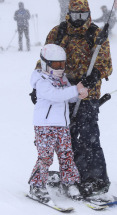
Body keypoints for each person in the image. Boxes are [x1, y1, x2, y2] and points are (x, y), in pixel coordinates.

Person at [30, 0, 112, 197]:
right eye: (75, 14)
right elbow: (45, 59)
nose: (78, 19)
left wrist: (94, 76)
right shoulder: (58, 33)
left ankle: (94, 178)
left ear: (88, 13)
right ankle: (72, 176)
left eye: (82, 15)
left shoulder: (96, 34)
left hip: (87, 95)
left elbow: (106, 64)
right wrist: (37, 87)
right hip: (61, 93)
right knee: (65, 139)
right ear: (68, 13)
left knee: (88, 136)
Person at [28, 44, 88, 203]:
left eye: (62, 64)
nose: (60, 68)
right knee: (45, 157)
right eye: (56, 65)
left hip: (62, 126)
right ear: (45, 63)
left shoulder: (63, 79)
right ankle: (36, 185)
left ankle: (70, 183)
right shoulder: (41, 79)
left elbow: (68, 97)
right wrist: (75, 90)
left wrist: (80, 93)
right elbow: (54, 95)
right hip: (45, 126)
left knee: (67, 155)